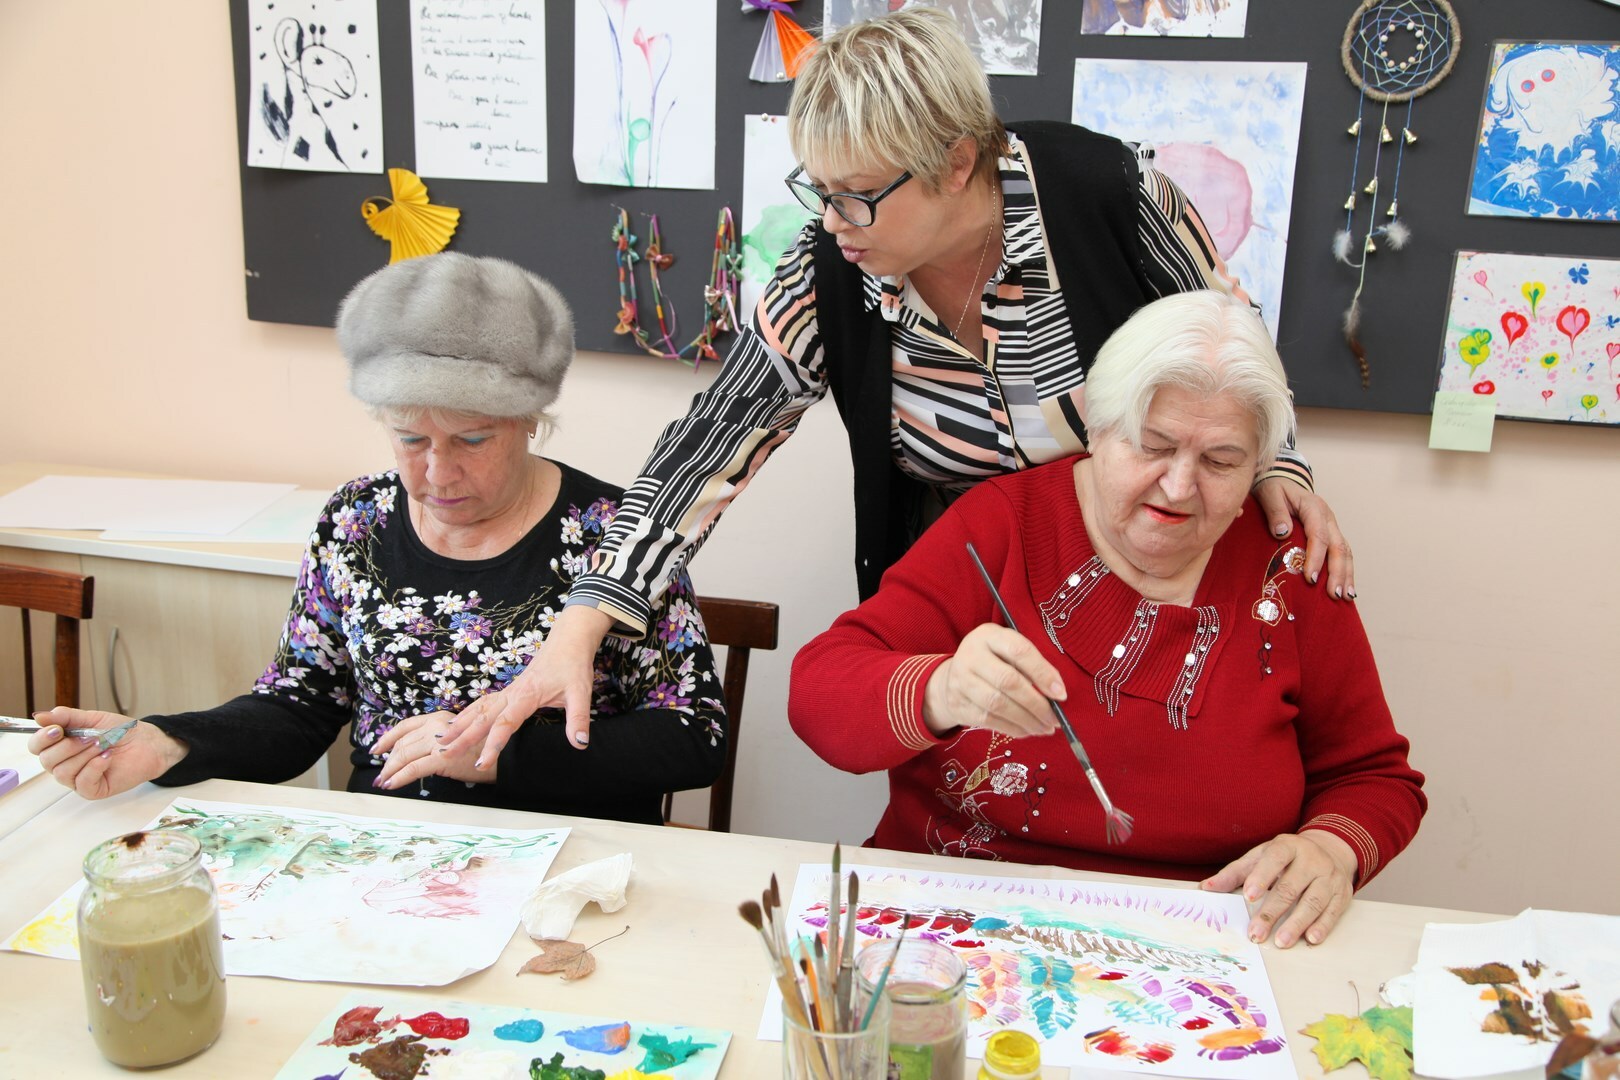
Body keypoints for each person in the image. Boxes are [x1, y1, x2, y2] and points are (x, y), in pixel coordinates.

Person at [444, 7, 1354, 767]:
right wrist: (586, 621)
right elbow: (711, 443)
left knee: (1156, 792)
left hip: (1143, 562)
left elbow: (1229, 344)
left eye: (861, 195)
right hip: (969, 591)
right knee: (973, 811)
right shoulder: (826, 271)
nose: (835, 221)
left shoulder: (1113, 197)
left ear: (958, 163)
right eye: (820, 189)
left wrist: (1277, 464)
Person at [789, 291, 1425, 949]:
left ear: (1261, 463)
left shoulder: (1288, 567)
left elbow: (1374, 777)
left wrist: (1332, 847)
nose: (1179, 486)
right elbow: (819, 695)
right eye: (1153, 446)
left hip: (1200, 946)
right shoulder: (1002, 524)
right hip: (956, 924)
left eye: (1221, 461)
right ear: (1096, 426)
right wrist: (939, 690)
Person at [28, 253, 726, 826]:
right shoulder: (355, 521)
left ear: (530, 420)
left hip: (574, 861)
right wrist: (171, 741)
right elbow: (298, 705)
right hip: (386, 854)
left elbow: (694, 737)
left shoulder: (618, 534)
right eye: (410, 439)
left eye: (472, 439)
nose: (436, 472)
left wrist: (495, 752)